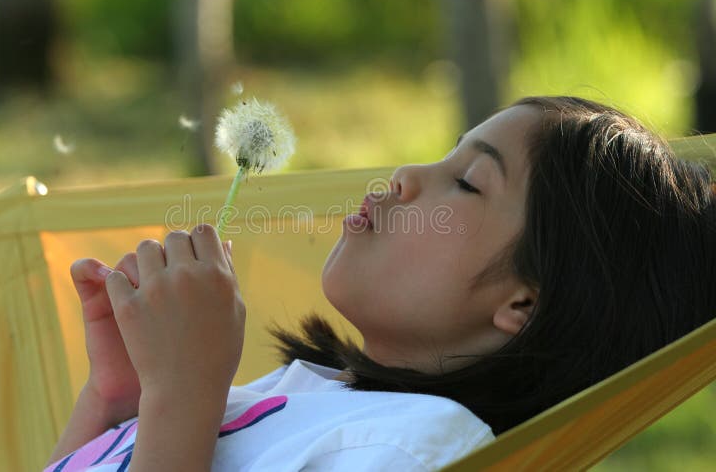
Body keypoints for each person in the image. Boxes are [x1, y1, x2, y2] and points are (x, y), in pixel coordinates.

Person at [43, 96, 716, 471]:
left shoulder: (421, 448)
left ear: (522, 302)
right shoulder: (297, 394)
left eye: (466, 181)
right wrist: (115, 403)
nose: (403, 174)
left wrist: (182, 397)